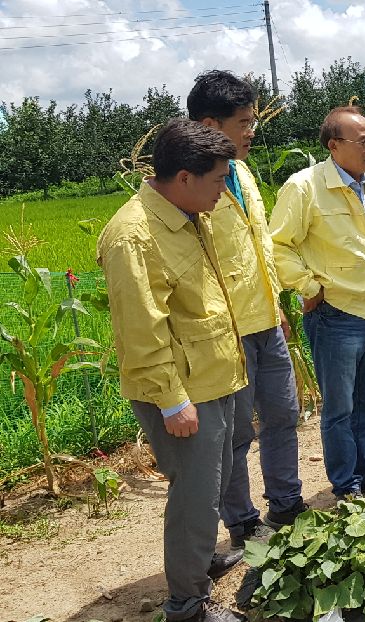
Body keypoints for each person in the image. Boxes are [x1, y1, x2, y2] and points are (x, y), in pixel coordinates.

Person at [97, 119, 247, 622]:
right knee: (195, 496)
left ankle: (200, 562)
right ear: (184, 177)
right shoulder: (134, 237)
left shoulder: (186, 213)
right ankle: (187, 603)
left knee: (216, 482)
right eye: (217, 181)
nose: (223, 193)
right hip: (183, 391)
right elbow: (142, 332)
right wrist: (171, 400)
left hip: (214, 376)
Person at [187, 71, 305, 564]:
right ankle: (241, 522)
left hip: (264, 320)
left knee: (283, 414)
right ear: (211, 124)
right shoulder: (190, 182)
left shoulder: (245, 173)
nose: (252, 130)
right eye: (244, 122)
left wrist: (276, 304)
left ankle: (286, 504)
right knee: (235, 435)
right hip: (225, 333)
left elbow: (258, 248)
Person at [268, 106, 365, 499]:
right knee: (340, 408)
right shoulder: (305, 186)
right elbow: (278, 246)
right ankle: (345, 484)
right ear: (334, 145)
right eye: (362, 141)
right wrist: (310, 287)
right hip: (335, 315)